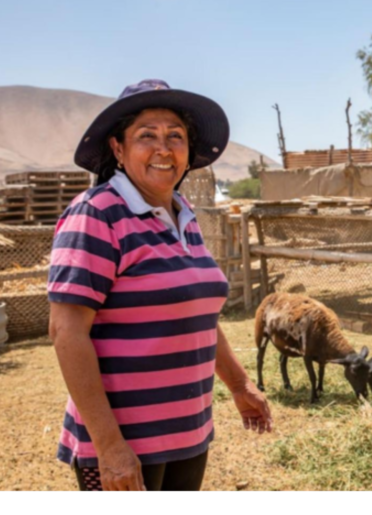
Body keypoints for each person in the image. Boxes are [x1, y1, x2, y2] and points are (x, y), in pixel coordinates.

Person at [47, 79, 272, 492]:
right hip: (122, 444)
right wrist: (110, 447)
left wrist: (240, 385)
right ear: (118, 148)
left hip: (187, 433)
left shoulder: (182, 212)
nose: (163, 148)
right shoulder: (97, 214)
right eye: (146, 136)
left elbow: (195, 314)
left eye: (175, 136)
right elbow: (66, 332)